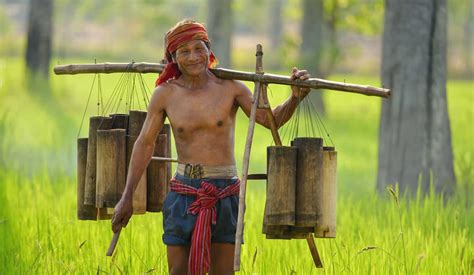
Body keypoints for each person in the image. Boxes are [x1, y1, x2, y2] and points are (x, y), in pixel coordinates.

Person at [111, 19, 311, 275]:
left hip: (225, 192)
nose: (193, 57)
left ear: (209, 50)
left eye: (199, 48)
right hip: (183, 192)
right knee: (178, 271)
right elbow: (145, 143)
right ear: (173, 57)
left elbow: (271, 121)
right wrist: (127, 197)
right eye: (184, 51)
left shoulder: (231, 88)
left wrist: (294, 98)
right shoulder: (165, 94)